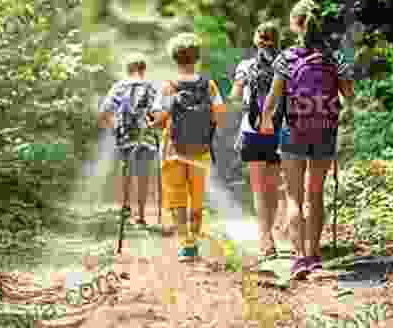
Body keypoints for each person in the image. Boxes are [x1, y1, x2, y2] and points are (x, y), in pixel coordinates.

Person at [260, 0, 354, 279]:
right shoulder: (334, 57)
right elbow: (349, 96)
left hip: (294, 131)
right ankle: (314, 256)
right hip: (324, 130)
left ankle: (299, 258)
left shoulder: (287, 57)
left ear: (294, 24)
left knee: (294, 196)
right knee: (316, 194)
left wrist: (265, 122)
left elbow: (273, 98)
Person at [147, 33, 225, 261]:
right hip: (200, 150)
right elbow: (219, 116)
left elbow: (160, 117)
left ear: (175, 59)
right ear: (197, 58)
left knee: (176, 196)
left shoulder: (169, 86)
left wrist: (153, 123)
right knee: (196, 197)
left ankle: (186, 244)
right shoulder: (208, 85)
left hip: (173, 150)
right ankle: (196, 238)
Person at [229, 22, 289, 263]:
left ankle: (265, 239)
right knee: (273, 187)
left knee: (258, 188)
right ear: (277, 39)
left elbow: (235, 95)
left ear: (257, 40)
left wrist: (241, 102)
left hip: (251, 130)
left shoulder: (245, 66)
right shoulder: (286, 62)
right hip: (278, 129)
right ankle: (271, 233)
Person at [98, 53, 159, 225]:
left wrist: (114, 128)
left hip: (125, 136)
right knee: (143, 175)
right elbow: (158, 113)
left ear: (128, 69)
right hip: (145, 137)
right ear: (143, 69)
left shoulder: (119, 86)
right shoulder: (151, 87)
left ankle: (126, 207)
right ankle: (141, 216)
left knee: (126, 171)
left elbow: (104, 113)